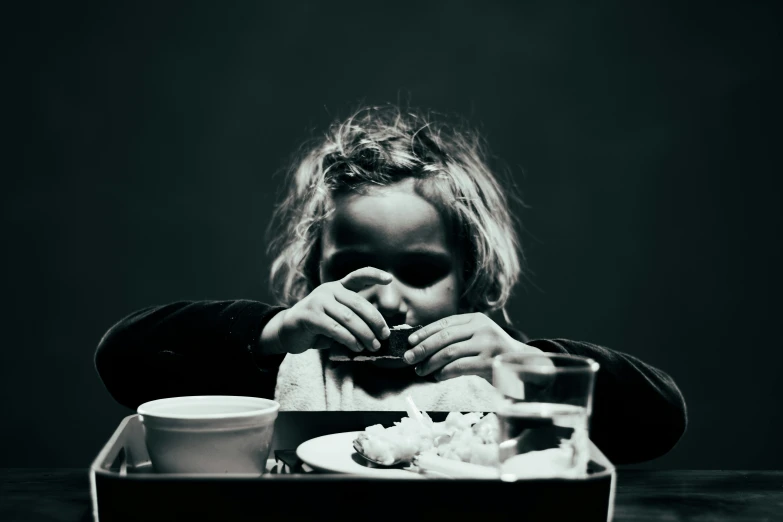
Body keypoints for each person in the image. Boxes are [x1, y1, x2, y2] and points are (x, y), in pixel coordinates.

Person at [95, 105, 687, 465]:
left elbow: (659, 420)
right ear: (313, 279)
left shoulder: (501, 374)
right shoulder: (284, 360)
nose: (386, 294)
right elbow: (123, 361)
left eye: (422, 271)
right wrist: (273, 330)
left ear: (472, 283)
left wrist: (527, 364)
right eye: (350, 267)